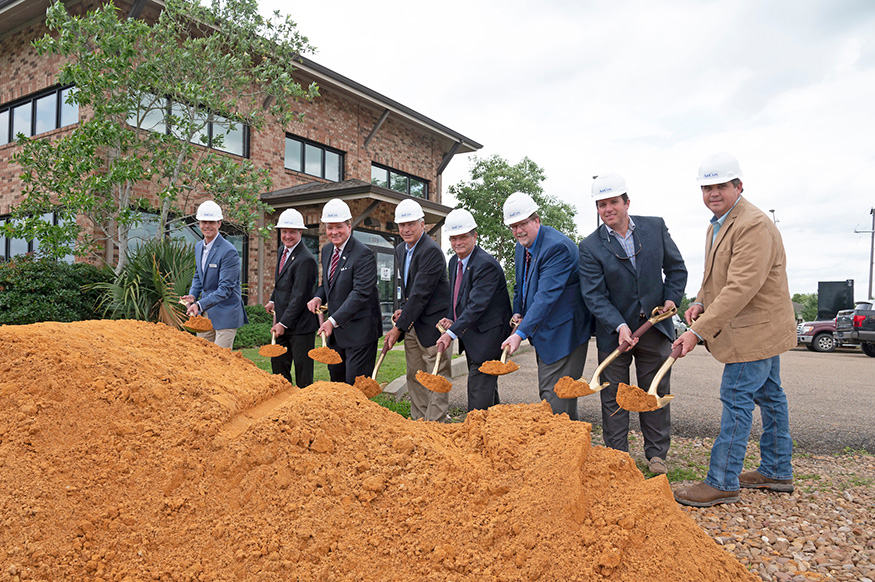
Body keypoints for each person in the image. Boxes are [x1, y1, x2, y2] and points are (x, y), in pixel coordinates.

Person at [672, 152, 797, 507]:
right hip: (759, 328)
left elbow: (741, 286)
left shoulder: (753, 224)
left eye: (721, 186)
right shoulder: (719, 223)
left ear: (738, 186)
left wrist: (697, 332)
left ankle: (723, 480)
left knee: (737, 398)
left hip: (753, 331)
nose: (713, 193)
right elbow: (718, 276)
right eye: (706, 187)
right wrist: (699, 302)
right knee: (771, 396)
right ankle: (776, 470)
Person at [579, 173, 687, 475]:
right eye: (601, 204)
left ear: (627, 202)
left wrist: (671, 298)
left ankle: (656, 455)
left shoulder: (655, 228)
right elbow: (594, 295)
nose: (607, 209)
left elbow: (676, 269)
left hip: (655, 327)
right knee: (613, 395)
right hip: (615, 333)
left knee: (653, 392)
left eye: (613, 202)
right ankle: (618, 455)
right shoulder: (589, 247)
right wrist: (619, 326)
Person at [500, 192, 593, 420]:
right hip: (545, 330)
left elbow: (546, 296)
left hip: (564, 332)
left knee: (555, 398)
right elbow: (520, 284)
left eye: (522, 224)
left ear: (536, 220)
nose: (518, 231)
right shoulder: (522, 246)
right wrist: (519, 312)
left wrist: (520, 334)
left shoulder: (557, 248)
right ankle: (568, 445)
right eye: (513, 226)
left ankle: (563, 450)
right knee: (555, 396)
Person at [436, 208, 512, 411]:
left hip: (488, 337)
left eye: (462, 237)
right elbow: (458, 296)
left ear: (474, 236)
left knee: (478, 390)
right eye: (453, 239)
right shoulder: (454, 261)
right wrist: (451, 318)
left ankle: (476, 433)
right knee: (486, 388)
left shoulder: (485, 265)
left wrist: (451, 334)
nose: (457, 243)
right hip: (472, 335)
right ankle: (493, 429)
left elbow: (476, 305)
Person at [384, 199, 452, 422]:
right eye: (401, 225)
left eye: (411, 224)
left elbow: (421, 293)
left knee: (436, 377)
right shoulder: (401, 250)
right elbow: (411, 292)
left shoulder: (431, 251)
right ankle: (420, 422)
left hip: (433, 326)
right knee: (415, 376)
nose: (406, 229)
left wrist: (396, 330)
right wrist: (403, 310)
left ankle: (436, 426)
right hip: (413, 324)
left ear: (422, 224)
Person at [306, 199, 382, 384]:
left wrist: (332, 320)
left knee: (354, 387)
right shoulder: (326, 250)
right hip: (337, 336)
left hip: (360, 333)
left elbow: (360, 293)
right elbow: (328, 283)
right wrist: (318, 296)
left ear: (349, 225)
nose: (334, 232)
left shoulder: (363, 254)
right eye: (330, 228)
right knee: (337, 384)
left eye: (339, 227)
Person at [182, 200, 248, 348]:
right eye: (204, 222)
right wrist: (193, 295)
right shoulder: (199, 246)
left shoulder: (228, 251)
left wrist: (198, 304)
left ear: (219, 223)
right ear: (199, 223)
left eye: (211, 222)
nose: (207, 226)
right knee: (203, 358)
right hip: (205, 312)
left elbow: (225, 289)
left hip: (226, 312)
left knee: (221, 361)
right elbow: (199, 276)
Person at [264, 208, 319, 387]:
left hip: (301, 327)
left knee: (303, 374)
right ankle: (283, 404)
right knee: (279, 367)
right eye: (284, 231)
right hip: (283, 322)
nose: (287, 236)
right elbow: (281, 283)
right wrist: (273, 299)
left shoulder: (306, 260)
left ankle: (303, 410)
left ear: (300, 232)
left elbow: (300, 296)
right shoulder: (282, 251)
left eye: (292, 232)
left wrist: (282, 323)